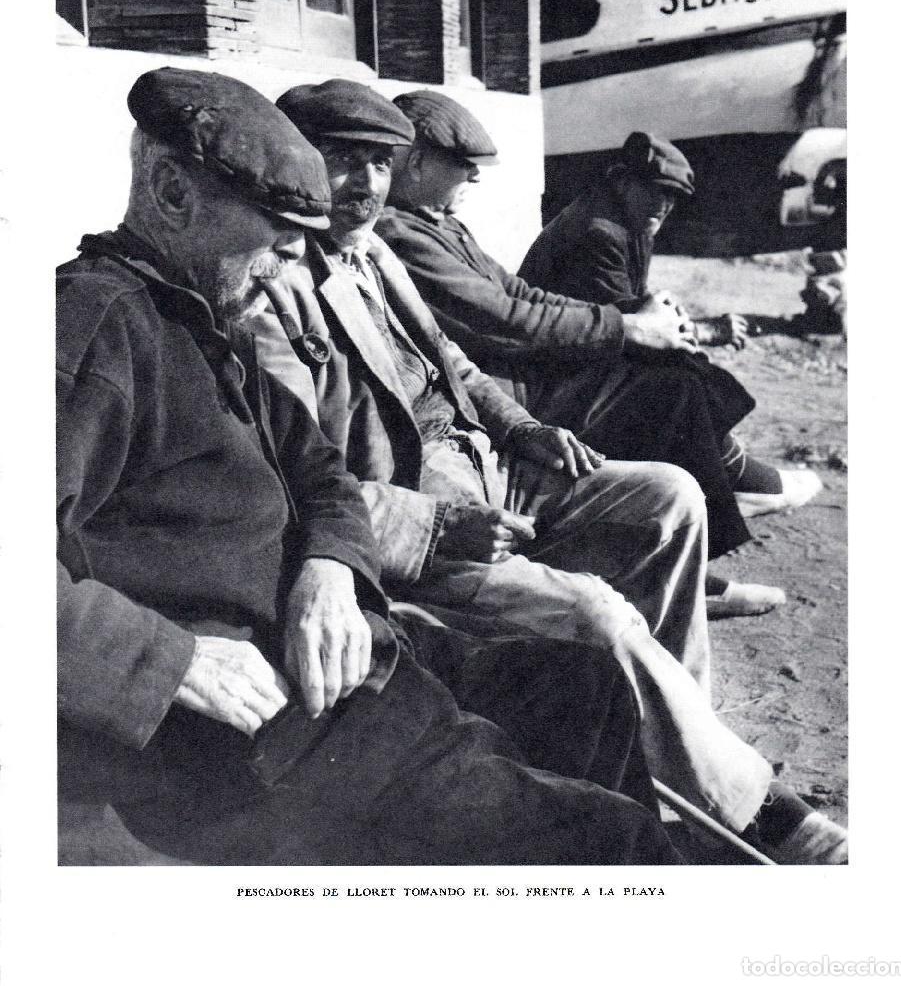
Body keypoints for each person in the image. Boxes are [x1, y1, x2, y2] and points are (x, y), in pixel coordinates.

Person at [58, 66, 687, 867]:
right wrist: (167, 659)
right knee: (612, 843)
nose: (292, 265)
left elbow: (321, 472)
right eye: (277, 235)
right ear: (175, 194)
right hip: (261, 744)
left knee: (586, 688)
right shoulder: (90, 328)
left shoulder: (205, 320)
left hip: (358, 665)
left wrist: (328, 567)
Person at [250, 78, 847, 863]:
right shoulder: (271, 289)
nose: (366, 184)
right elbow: (304, 480)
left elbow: (453, 360)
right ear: (292, 165)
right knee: (597, 614)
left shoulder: (374, 252)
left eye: (380, 162)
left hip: (488, 465)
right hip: (423, 521)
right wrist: (441, 527)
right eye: (343, 162)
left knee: (669, 497)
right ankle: (749, 814)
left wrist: (524, 427)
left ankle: (679, 749)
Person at [377, 94, 816, 614]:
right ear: (418, 161)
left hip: (523, 371)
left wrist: (636, 323)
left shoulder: (439, 223)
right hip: (507, 390)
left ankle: (712, 515)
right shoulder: (401, 233)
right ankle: (699, 559)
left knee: (674, 377)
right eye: (464, 166)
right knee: (669, 389)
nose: (474, 178)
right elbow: (503, 318)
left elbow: (519, 293)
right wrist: (629, 326)